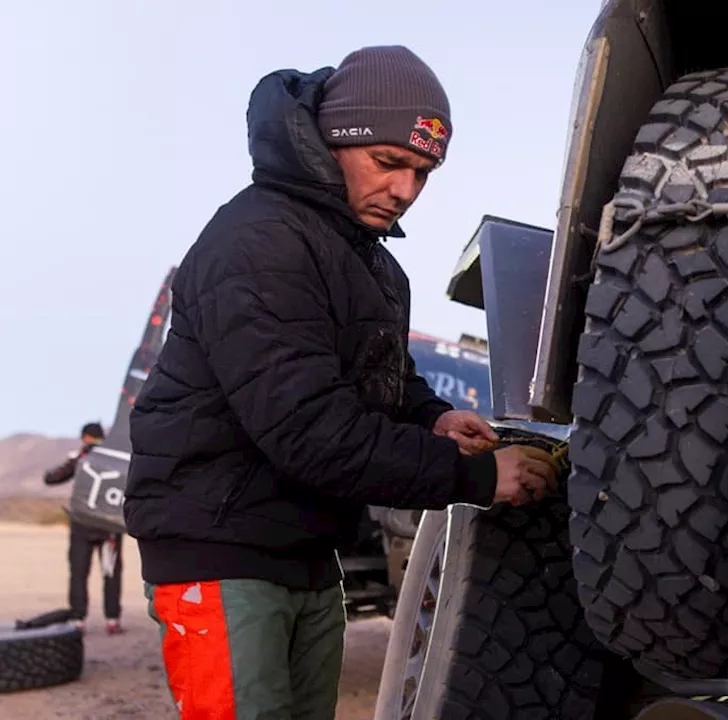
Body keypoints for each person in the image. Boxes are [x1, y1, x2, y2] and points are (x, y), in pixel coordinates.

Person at [123, 45, 559, 720]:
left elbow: (385, 377)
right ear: (334, 141)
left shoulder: (374, 265)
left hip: (306, 549)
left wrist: (434, 419)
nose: (406, 189)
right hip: (221, 550)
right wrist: (476, 478)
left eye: (423, 172)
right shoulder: (259, 240)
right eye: (390, 163)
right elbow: (309, 429)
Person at [43, 421, 124, 635]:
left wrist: (75, 459)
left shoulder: (81, 458)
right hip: (110, 528)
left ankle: (78, 619)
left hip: (83, 526)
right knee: (111, 573)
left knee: (79, 572)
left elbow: (52, 478)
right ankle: (112, 619)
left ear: (85, 437)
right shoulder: (116, 459)